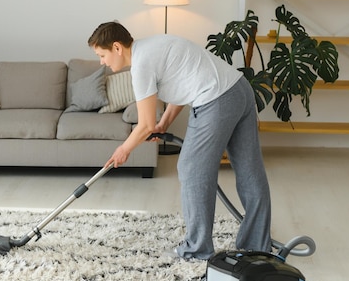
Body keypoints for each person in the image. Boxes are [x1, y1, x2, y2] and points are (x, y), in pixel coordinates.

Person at [87, 21, 272, 260]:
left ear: (117, 47)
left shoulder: (141, 64)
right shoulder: (155, 44)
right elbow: (184, 83)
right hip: (240, 90)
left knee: (191, 169)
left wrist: (124, 149)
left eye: (102, 55)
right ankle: (256, 245)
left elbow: (144, 125)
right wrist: (164, 123)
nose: (102, 61)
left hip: (215, 100)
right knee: (249, 170)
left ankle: (196, 249)